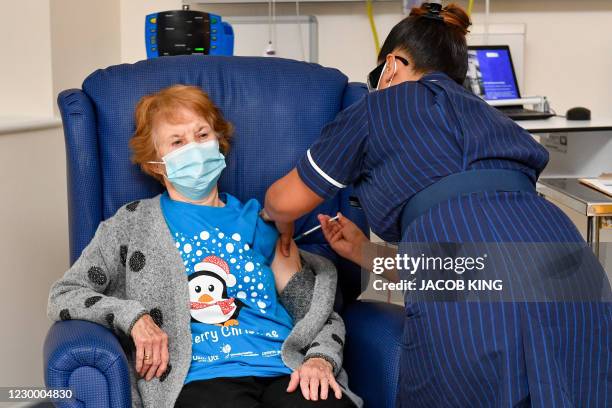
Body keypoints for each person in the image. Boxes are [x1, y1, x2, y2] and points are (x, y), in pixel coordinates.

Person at [263, 3, 610, 407]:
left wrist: (274, 218)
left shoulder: (376, 109)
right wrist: (364, 252)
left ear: (391, 65)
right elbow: (472, 259)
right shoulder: (492, 118)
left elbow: (285, 200)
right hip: (572, 272)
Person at [47, 85, 361, 408]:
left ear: (218, 143)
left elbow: (315, 311)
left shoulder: (258, 221)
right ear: (156, 163)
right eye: (178, 142)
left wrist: (320, 359)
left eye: (202, 135)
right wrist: (134, 317)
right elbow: (65, 294)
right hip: (202, 377)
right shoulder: (132, 224)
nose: (194, 149)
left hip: (284, 368)